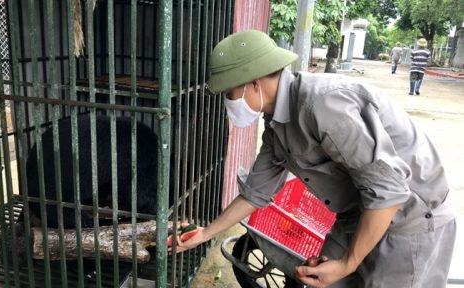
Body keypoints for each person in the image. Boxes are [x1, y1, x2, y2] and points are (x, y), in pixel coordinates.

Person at [173, 30, 455, 288]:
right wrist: (206, 233)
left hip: (408, 222)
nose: (228, 102)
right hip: (358, 214)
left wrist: (348, 263)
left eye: (229, 93)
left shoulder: (323, 105)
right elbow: (255, 194)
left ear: (253, 83)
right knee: (321, 278)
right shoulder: (277, 125)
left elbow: (389, 194)